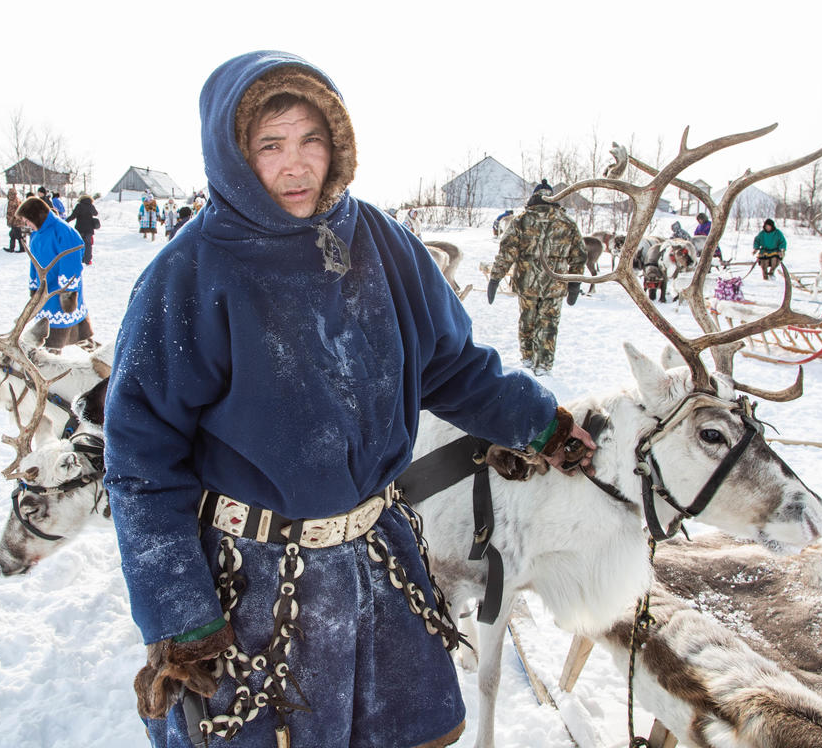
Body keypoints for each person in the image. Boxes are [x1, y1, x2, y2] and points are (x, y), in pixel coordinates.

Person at [103, 50, 595, 748]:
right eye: (270, 145)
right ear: (235, 152)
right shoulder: (187, 274)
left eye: (312, 140)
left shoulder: (382, 244)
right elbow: (141, 462)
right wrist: (180, 612)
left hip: (377, 560)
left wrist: (539, 424)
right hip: (253, 582)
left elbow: (451, 366)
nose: (296, 164)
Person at [486, 188, 587, 376]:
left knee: (527, 322)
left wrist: (495, 278)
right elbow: (578, 256)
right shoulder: (567, 223)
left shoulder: (521, 221)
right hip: (556, 286)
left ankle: (527, 359)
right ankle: (544, 366)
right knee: (549, 325)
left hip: (527, 285)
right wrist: (574, 284)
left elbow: (507, 252)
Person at [18, 196, 94, 350]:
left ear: (35, 216)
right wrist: (34, 288)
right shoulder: (36, 234)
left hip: (60, 295)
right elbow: (34, 264)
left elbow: (71, 264)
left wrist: (68, 295)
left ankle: (102, 364)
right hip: (45, 294)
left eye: (27, 220)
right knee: (49, 340)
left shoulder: (64, 231)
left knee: (57, 341)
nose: (26, 224)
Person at [66, 194, 100, 265]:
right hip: (89, 229)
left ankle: (80, 259)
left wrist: (65, 221)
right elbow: (96, 213)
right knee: (88, 245)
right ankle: (88, 260)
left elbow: (73, 216)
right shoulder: (91, 206)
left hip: (80, 228)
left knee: (79, 244)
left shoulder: (79, 206)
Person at [3, 187, 27, 253]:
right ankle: (13, 248)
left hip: (15, 222)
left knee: (17, 235)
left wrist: (10, 221)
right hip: (18, 221)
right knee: (13, 235)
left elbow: (12, 213)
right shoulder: (17, 200)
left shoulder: (12, 202)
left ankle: (20, 248)